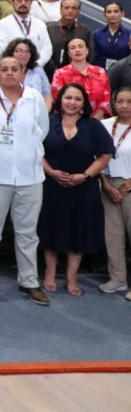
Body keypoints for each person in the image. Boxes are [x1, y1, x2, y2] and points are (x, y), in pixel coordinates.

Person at [0, 58, 52, 306]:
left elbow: (42, 130)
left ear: (23, 73)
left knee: (28, 233)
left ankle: (29, 281)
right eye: (3, 69)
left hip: (29, 176)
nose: (9, 73)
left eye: (14, 69)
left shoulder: (35, 97)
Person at [38, 83, 113, 297]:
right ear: (60, 100)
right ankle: (50, 273)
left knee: (79, 230)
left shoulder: (93, 125)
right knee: (50, 228)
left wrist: (85, 175)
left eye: (77, 99)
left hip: (83, 186)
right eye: (68, 97)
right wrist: (51, 172)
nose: (72, 102)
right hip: (51, 184)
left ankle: (72, 276)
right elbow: (36, 150)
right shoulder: (47, 122)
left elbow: (105, 154)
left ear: (84, 103)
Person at [99, 87, 131, 299]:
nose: (125, 106)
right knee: (113, 235)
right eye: (120, 101)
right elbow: (97, 157)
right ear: (113, 102)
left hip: (129, 186)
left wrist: (125, 186)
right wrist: (107, 184)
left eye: (129, 102)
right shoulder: (104, 125)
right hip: (108, 185)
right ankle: (117, 279)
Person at [51, 38, 112, 119]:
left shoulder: (100, 72)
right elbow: (58, 99)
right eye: (73, 48)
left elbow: (106, 98)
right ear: (68, 53)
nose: (77, 50)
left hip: (97, 120)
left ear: (87, 50)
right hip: (69, 119)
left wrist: (95, 119)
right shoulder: (60, 73)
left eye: (80, 46)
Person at [0, 0, 52, 68]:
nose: (23, 3)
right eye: (19, 0)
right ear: (12, 3)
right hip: (10, 68)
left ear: (31, 3)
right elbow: (2, 49)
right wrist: (18, 65)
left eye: (26, 0)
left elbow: (47, 48)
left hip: (35, 67)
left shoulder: (40, 24)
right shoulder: (3, 24)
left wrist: (36, 63)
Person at [46, 0, 91, 78]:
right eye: (66, 8)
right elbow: (44, 53)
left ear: (79, 11)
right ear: (60, 10)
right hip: (51, 75)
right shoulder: (48, 28)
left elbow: (90, 54)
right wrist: (57, 72)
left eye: (74, 8)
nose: (70, 11)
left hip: (78, 75)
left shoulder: (85, 30)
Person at [91, 2, 130, 70]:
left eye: (116, 11)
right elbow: (93, 57)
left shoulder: (129, 34)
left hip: (123, 73)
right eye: (109, 12)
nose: (112, 14)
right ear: (105, 15)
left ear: (122, 14)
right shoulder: (96, 34)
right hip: (100, 73)